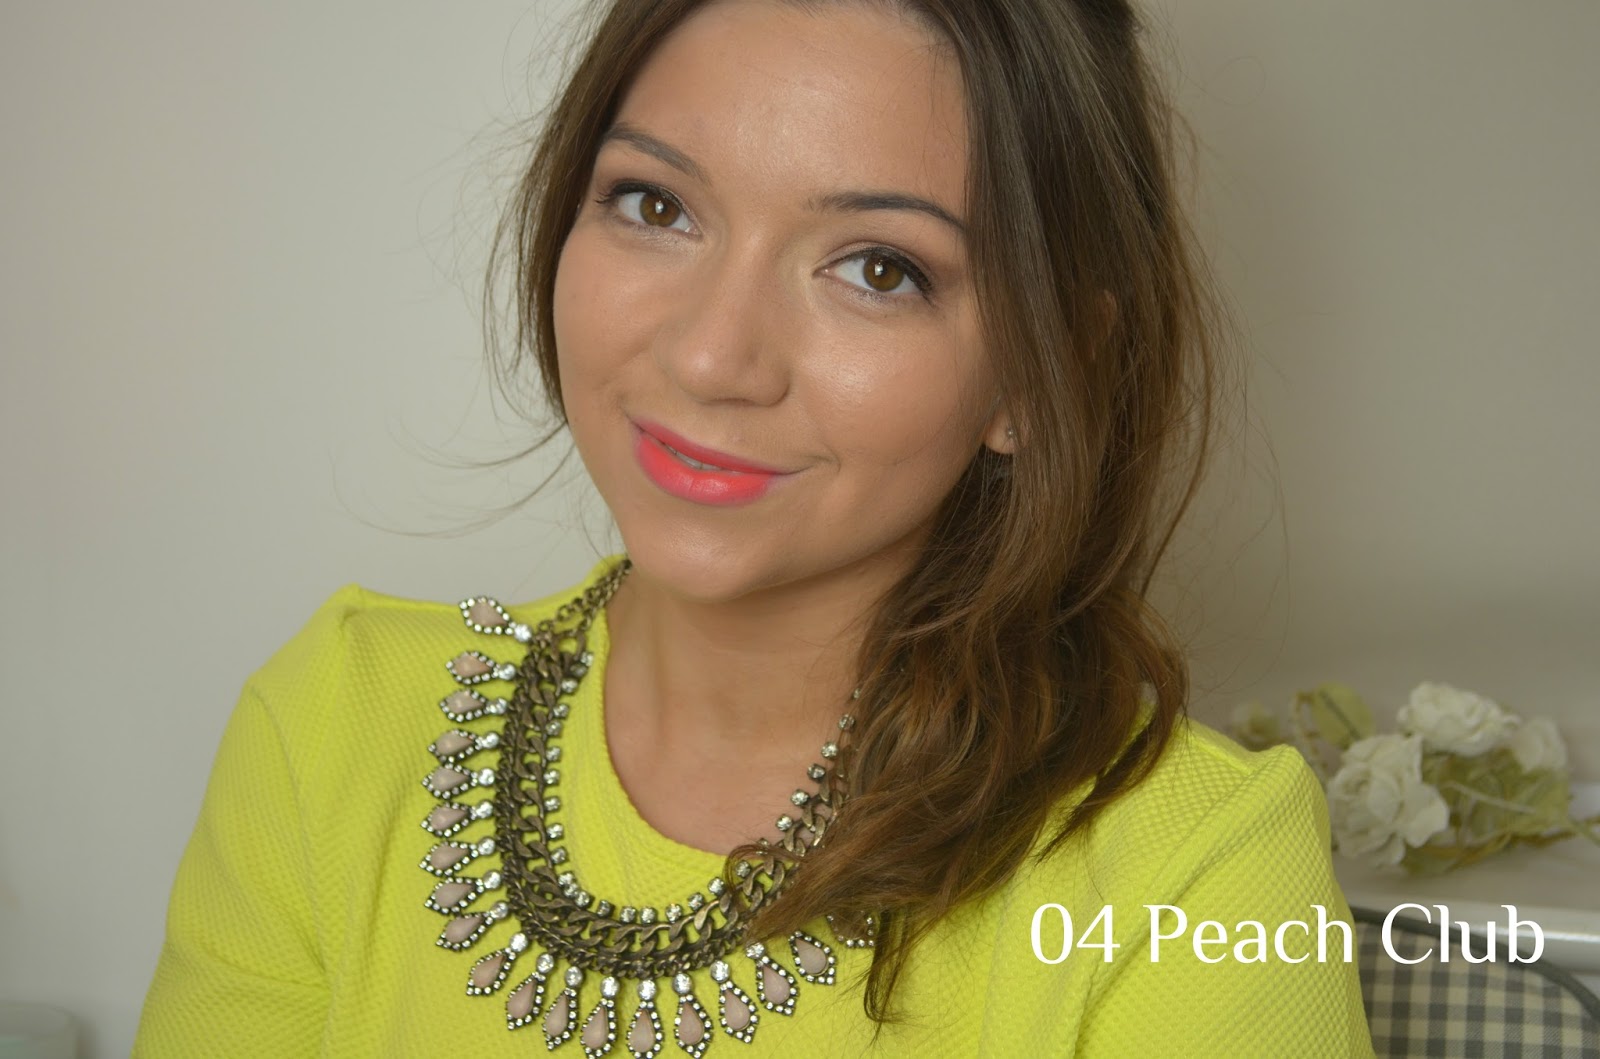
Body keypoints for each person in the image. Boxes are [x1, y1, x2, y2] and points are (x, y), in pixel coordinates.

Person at [135, 0, 1374, 1055]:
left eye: (878, 268)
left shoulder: (1197, 873)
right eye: (655, 205)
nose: (713, 355)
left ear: (1044, 373)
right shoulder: (336, 726)